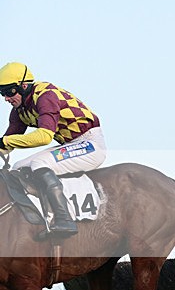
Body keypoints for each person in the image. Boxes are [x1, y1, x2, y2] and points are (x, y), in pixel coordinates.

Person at [0, 62, 107, 237]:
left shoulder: (45, 96)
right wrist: (4, 144)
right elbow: (6, 144)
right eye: (1, 93)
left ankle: (64, 219)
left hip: (90, 143)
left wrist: (6, 142)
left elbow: (44, 136)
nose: (6, 98)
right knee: (18, 167)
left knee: (40, 163)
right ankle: (40, 218)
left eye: (9, 91)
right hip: (70, 145)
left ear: (24, 86)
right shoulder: (19, 111)